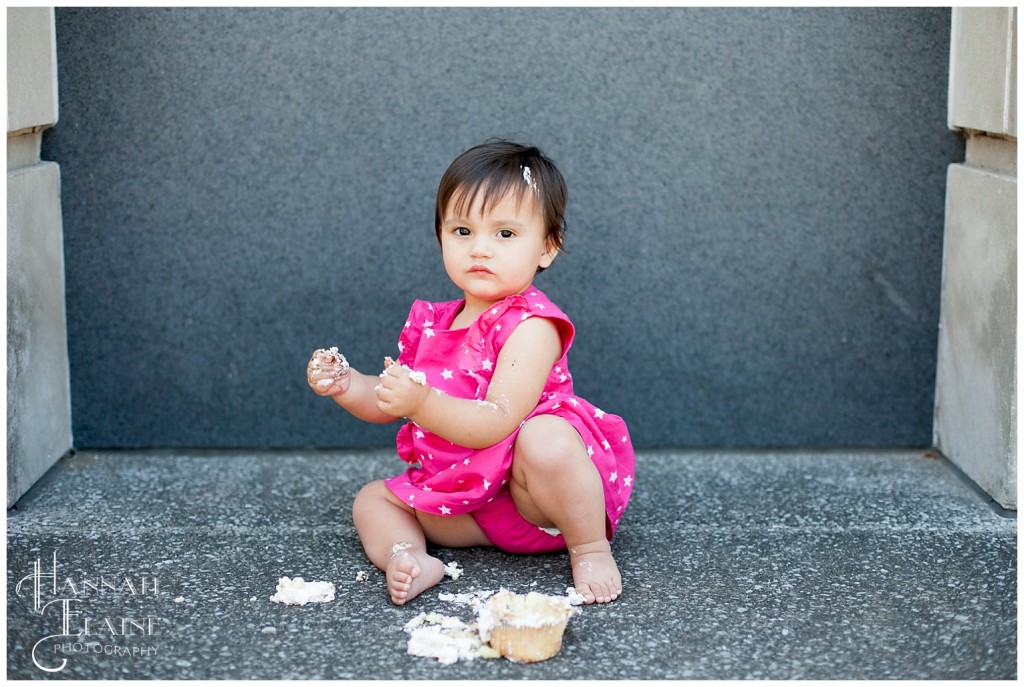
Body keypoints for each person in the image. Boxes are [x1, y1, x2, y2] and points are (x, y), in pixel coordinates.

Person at [307, 140, 635, 606]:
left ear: (546, 247)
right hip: (470, 504)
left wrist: (421, 403)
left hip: (535, 499)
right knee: (372, 501)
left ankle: (590, 548)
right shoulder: (433, 323)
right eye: (463, 230)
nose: (480, 248)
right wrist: (348, 385)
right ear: (440, 235)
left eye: (505, 234)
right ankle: (411, 557)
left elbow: (497, 418)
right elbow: (391, 398)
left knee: (544, 438)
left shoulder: (531, 325)